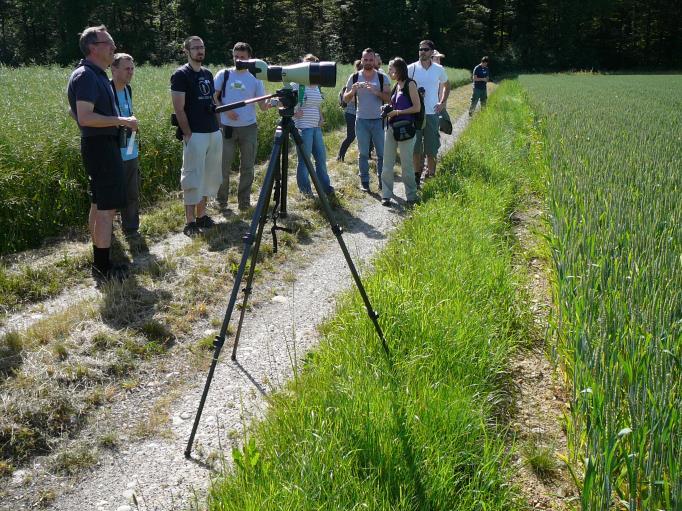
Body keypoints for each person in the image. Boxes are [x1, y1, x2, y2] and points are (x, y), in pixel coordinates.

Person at [67, 25, 138, 282]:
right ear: (93, 48)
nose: (113, 47)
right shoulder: (86, 75)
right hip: (101, 147)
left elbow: (76, 114)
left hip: (100, 145)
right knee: (107, 210)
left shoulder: (93, 74)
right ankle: (103, 268)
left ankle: (100, 260)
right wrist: (122, 121)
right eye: (108, 42)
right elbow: (85, 117)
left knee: (99, 205)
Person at [170, 36, 222, 236]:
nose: (200, 51)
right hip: (195, 134)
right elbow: (178, 108)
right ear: (187, 51)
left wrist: (218, 126)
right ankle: (190, 221)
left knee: (209, 176)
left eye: (202, 47)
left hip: (212, 132)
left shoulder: (208, 74)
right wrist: (187, 133)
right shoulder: (181, 75)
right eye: (195, 48)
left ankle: (202, 215)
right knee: (192, 176)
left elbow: (213, 102)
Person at [214, 41, 271, 211]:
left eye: (242, 57)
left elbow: (262, 106)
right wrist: (226, 110)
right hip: (226, 127)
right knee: (223, 166)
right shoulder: (223, 74)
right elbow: (214, 97)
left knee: (247, 167)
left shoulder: (255, 78)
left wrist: (274, 101)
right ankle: (221, 201)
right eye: (236, 57)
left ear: (249, 58)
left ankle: (244, 202)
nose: (238, 60)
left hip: (249, 128)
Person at [342, 48, 391, 192]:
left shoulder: (382, 78)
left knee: (381, 154)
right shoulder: (354, 77)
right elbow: (345, 99)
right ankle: (364, 182)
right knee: (363, 153)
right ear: (361, 60)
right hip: (361, 119)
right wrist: (353, 91)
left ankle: (383, 182)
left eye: (371, 60)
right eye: (365, 60)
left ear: (375, 61)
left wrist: (376, 92)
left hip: (379, 120)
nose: (368, 62)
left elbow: (389, 98)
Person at [408, 40, 450, 183]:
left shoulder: (438, 69)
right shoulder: (411, 68)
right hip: (415, 114)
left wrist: (442, 102)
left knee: (431, 149)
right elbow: (401, 88)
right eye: (420, 49)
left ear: (432, 52)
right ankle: (416, 176)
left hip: (432, 114)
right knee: (416, 148)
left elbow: (446, 85)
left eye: (425, 49)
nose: (422, 52)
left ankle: (431, 176)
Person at [380, 57, 420, 207]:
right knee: (387, 164)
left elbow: (417, 108)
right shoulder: (396, 86)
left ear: (398, 69)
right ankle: (386, 195)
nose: (389, 71)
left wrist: (397, 112)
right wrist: (386, 109)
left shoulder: (410, 84)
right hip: (391, 128)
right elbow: (393, 104)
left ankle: (411, 195)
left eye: (391, 69)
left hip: (406, 129)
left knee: (406, 164)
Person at [292, 54, 334, 197]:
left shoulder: (316, 85)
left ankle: (325, 188)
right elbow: (285, 102)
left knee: (321, 159)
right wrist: (293, 112)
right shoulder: (297, 84)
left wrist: (321, 117)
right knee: (304, 161)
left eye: (313, 65)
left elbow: (317, 104)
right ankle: (306, 192)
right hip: (304, 128)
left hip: (316, 127)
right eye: (307, 65)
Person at [110, 53, 140, 238]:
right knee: (112, 194)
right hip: (112, 150)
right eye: (126, 68)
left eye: (132, 68)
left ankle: (131, 229)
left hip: (129, 146)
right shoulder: (106, 89)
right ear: (114, 69)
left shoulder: (128, 89)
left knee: (132, 191)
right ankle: (108, 233)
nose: (130, 72)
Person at [336, 59, 362, 162]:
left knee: (368, 137)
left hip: (362, 113)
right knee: (351, 136)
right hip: (351, 112)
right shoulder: (354, 78)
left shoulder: (369, 78)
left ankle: (367, 155)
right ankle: (340, 156)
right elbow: (349, 98)